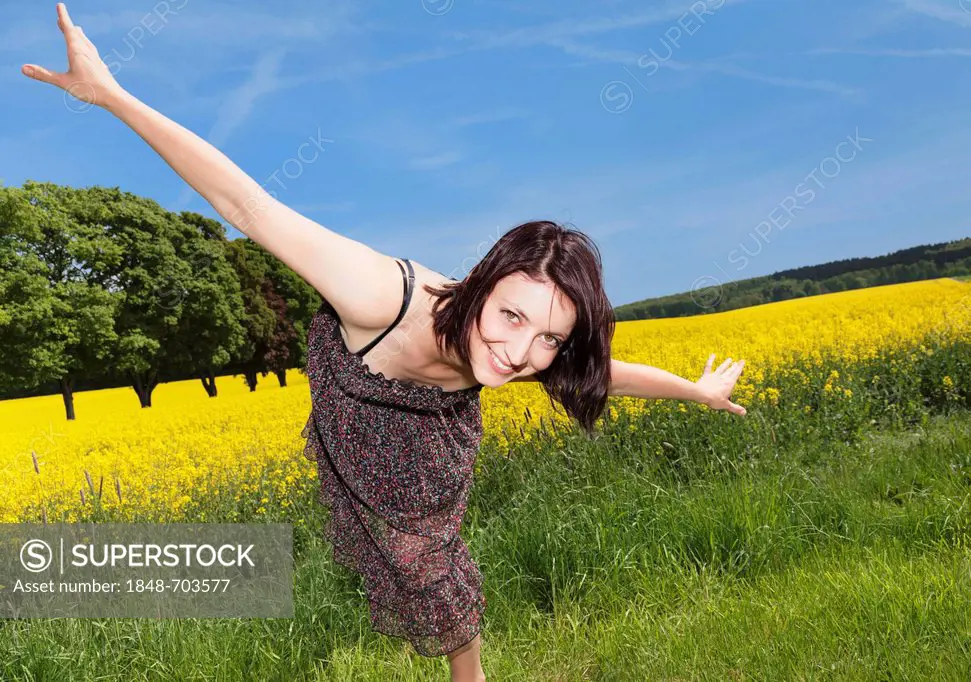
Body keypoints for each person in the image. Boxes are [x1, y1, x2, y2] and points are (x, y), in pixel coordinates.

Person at [20, 5, 748, 679]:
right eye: (512, 317)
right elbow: (246, 202)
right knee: (412, 553)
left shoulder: (515, 357)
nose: (522, 351)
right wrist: (113, 96)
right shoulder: (379, 294)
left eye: (550, 338)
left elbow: (605, 375)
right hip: (353, 395)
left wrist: (697, 390)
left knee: (434, 563)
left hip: (429, 444)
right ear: (481, 284)